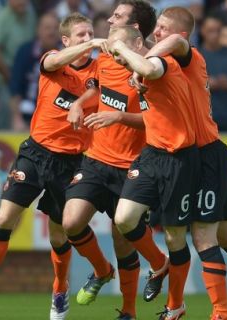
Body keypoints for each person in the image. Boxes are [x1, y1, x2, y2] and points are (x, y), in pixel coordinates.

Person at [0, 13, 101, 320]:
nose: (88, 39)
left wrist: (81, 100)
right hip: (36, 153)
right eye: (81, 35)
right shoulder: (52, 59)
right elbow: (52, 63)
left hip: (72, 160)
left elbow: (100, 91)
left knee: (59, 235)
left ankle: (60, 290)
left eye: (90, 34)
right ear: (66, 40)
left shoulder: (100, 69)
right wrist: (94, 43)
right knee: (5, 216)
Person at [142, 6, 227, 320]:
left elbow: (177, 43)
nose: (156, 32)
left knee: (203, 235)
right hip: (195, 157)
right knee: (225, 234)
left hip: (209, 157)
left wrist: (147, 57)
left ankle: (221, 313)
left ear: (178, 33)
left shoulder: (189, 54)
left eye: (162, 27)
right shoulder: (167, 67)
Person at [63, 2, 157, 319]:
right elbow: (98, 89)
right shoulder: (105, 58)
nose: (109, 20)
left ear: (136, 31)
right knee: (71, 222)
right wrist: (79, 103)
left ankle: (128, 312)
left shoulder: (151, 68)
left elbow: (157, 122)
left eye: (117, 16)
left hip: (133, 166)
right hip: (96, 159)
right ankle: (102, 271)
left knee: (123, 240)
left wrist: (118, 117)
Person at [109, 25, 199, 320]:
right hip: (151, 155)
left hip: (180, 159)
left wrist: (122, 49)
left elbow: (150, 63)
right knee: (123, 218)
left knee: (175, 236)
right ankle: (160, 264)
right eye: (113, 53)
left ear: (137, 42)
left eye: (120, 51)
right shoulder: (139, 73)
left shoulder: (160, 63)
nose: (117, 58)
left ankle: (175, 306)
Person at [0, 0, 37, 130]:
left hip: (28, 78)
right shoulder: (2, 18)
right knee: (7, 121)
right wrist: (10, 77)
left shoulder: (30, 15)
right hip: (7, 78)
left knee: (27, 122)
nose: (23, 2)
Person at [9, 13, 61, 131]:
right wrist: (17, 118)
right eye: (47, 28)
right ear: (38, 30)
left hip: (56, 117)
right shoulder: (25, 51)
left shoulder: (66, 54)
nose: (51, 32)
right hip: (27, 113)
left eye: (55, 28)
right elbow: (15, 87)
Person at [198, 14, 227, 131]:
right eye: (210, 31)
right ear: (202, 31)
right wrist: (206, 84)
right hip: (201, 120)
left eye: (218, 31)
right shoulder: (194, 55)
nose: (214, 35)